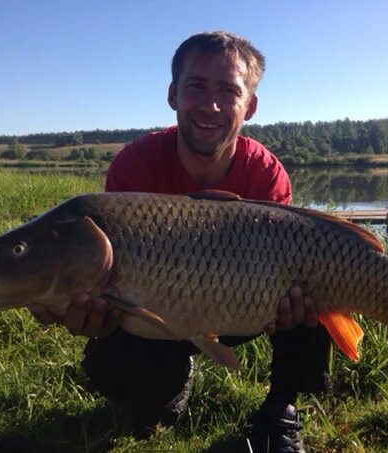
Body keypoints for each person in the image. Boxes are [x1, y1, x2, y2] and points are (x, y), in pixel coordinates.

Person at [30, 31, 332, 453]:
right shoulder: (135, 164)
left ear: (250, 106)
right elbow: (104, 277)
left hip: (244, 306)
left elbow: (291, 265)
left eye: (229, 91)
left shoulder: (266, 174)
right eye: (196, 87)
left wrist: (295, 305)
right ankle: (167, 386)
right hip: (153, 310)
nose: (210, 106)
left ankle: (280, 411)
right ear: (173, 95)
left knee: (316, 283)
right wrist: (84, 310)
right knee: (108, 365)